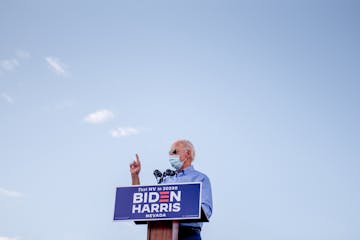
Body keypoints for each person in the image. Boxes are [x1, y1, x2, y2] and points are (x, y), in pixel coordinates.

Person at [130, 139, 213, 240]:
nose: (171, 156)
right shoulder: (166, 180)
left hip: (188, 234)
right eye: (170, 153)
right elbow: (142, 202)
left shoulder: (200, 179)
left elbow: (206, 210)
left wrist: (181, 207)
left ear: (187, 153)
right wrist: (135, 176)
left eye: (174, 152)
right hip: (163, 233)